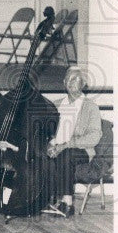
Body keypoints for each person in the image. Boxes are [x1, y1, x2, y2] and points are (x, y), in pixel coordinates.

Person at [45, 66, 102, 217]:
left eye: (76, 79)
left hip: (80, 151)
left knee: (67, 154)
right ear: (64, 82)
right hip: (57, 148)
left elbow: (94, 137)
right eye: (69, 79)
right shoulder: (55, 105)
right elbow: (47, 131)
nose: (72, 82)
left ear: (83, 84)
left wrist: (66, 145)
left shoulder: (91, 107)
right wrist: (50, 143)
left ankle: (67, 203)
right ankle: (37, 199)